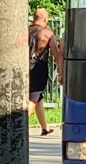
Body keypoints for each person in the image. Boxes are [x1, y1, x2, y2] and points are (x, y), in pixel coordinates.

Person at [27, 8, 63, 136]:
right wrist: (61, 71)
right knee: (33, 98)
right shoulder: (48, 34)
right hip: (39, 68)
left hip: (25, 68)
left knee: (38, 97)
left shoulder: (25, 31)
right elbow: (56, 54)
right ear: (45, 19)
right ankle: (19, 125)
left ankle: (44, 127)